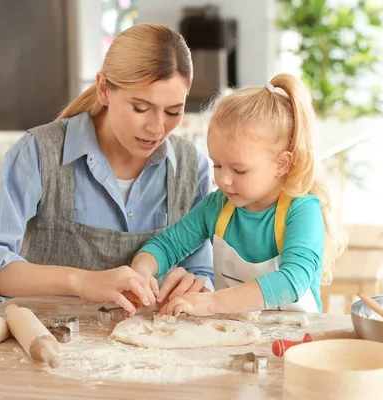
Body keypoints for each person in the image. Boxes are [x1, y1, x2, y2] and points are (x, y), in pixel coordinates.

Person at [0, 24, 214, 316]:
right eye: (141, 108)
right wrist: (81, 281)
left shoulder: (193, 168)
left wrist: (197, 285)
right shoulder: (39, 153)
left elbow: (200, 270)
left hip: (154, 353)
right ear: (104, 89)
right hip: (53, 342)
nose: (156, 128)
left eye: (172, 112)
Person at [130, 73, 348, 317]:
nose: (223, 179)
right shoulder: (217, 207)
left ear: (282, 164)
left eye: (239, 170)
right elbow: (167, 245)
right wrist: (142, 272)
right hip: (232, 339)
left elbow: (292, 280)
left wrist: (211, 303)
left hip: (297, 344)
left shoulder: (302, 211)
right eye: (217, 165)